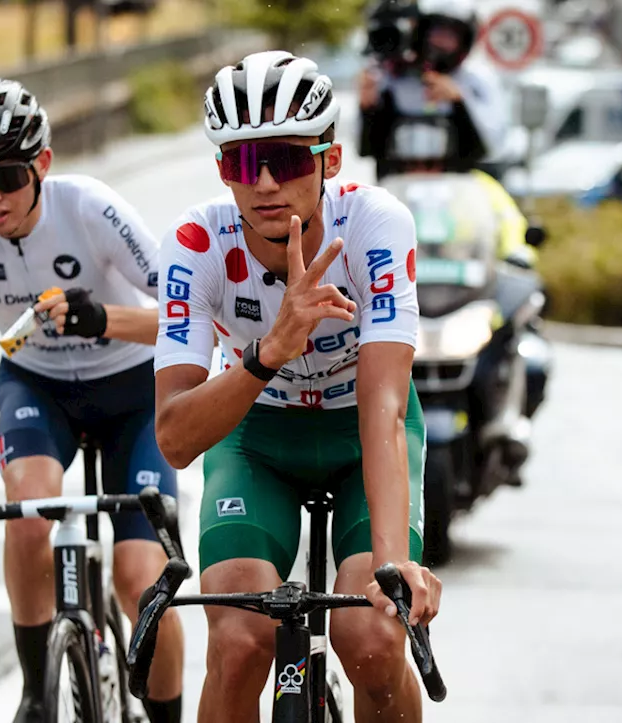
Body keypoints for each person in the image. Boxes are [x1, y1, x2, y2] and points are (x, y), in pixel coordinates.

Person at [153, 50, 444, 722]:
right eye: (239, 162)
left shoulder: (374, 223)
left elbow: (384, 404)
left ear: (329, 161)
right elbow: (174, 438)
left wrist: (394, 564)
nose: (262, 183)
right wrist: (269, 351)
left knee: (372, 638)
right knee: (238, 642)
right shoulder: (197, 242)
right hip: (256, 439)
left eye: (284, 160)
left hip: (358, 431)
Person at [0, 78, 185, 723]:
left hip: (132, 389)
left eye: (5, 175)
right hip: (37, 384)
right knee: (29, 512)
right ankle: (37, 695)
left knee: (139, 581)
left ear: (42, 164)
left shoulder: (90, 208)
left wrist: (106, 319)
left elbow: (189, 316)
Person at [358, 0, 508, 181]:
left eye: (451, 35)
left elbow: (493, 146)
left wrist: (459, 102)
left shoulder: (476, 80)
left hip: (458, 189)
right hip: (399, 188)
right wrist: (368, 108)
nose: (441, 43)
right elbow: (367, 148)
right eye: (436, 32)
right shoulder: (390, 80)